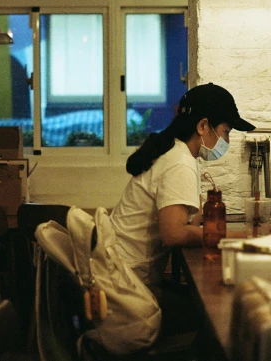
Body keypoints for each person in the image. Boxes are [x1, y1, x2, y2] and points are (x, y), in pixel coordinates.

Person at [109, 83, 255, 332]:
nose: (227, 140)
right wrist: (248, 237)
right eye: (226, 131)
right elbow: (174, 234)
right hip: (126, 291)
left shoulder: (176, 153)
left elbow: (187, 222)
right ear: (202, 126)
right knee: (213, 316)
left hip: (120, 278)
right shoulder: (179, 162)